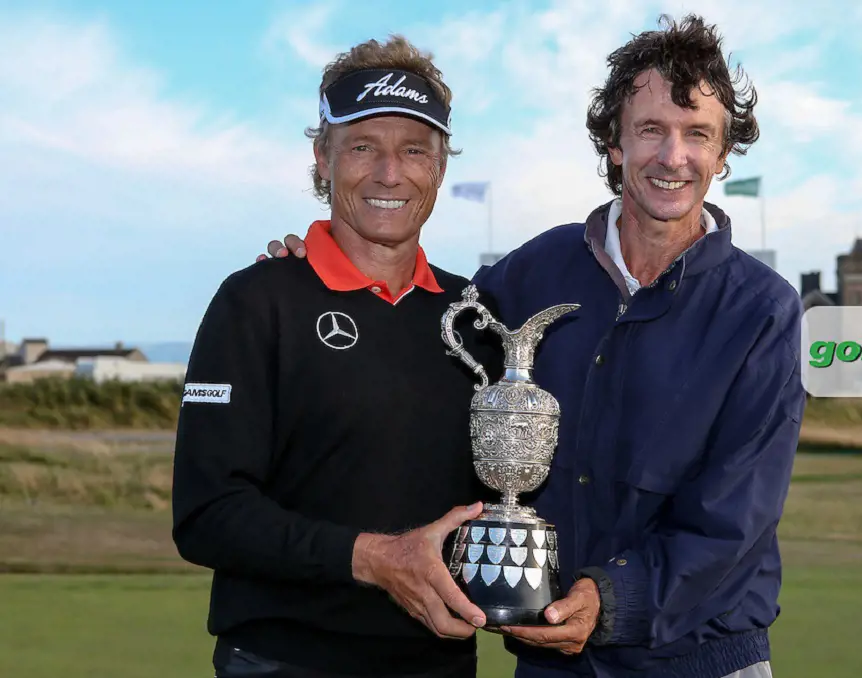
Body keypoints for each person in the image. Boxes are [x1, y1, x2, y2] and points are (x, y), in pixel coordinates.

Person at [263, 14, 804, 678]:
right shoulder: (534, 272)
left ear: (723, 155)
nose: (673, 156)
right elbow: (420, 338)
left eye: (698, 135)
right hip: (550, 659)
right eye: (650, 130)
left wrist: (609, 601)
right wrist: (319, 275)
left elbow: (734, 518)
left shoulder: (762, 310)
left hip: (700, 660)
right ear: (614, 144)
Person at [172, 35, 502, 678]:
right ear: (322, 159)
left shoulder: (476, 317)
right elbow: (208, 515)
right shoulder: (257, 300)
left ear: (439, 167)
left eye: (414, 150)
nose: (389, 173)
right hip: (284, 661)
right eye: (362, 147)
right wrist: (374, 558)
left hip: (439, 664)